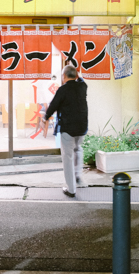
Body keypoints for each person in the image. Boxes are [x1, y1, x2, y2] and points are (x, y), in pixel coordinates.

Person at [42, 64, 88, 197]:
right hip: (82, 127)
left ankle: (71, 189)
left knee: (67, 157)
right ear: (76, 76)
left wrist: (45, 117)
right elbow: (81, 79)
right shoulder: (82, 87)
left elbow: (53, 105)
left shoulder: (63, 89)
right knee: (77, 150)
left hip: (68, 128)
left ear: (63, 76)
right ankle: (77, 176)